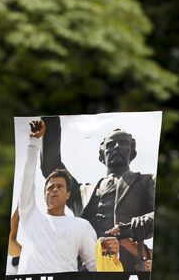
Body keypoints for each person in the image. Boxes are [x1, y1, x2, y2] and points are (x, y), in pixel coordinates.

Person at [40, 117, 155, 271]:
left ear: (132, 151)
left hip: (124, 267)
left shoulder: (146, 181)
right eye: (110, 145)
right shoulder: (81, 192)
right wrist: (50, 118)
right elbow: (51, 166)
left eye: (123, 143)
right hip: (84, 268)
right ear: (102, 155)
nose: (116, 147)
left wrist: (134, 227)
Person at [17, 120, 118, 274]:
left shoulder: (81, 226)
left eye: (59, 187)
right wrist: (34, 142)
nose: (54, 190)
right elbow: (27, 180)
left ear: (68, 194)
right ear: (44, 195)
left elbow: (97, 267)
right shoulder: (30, 217)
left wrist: (109, 253)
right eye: (50, 187)